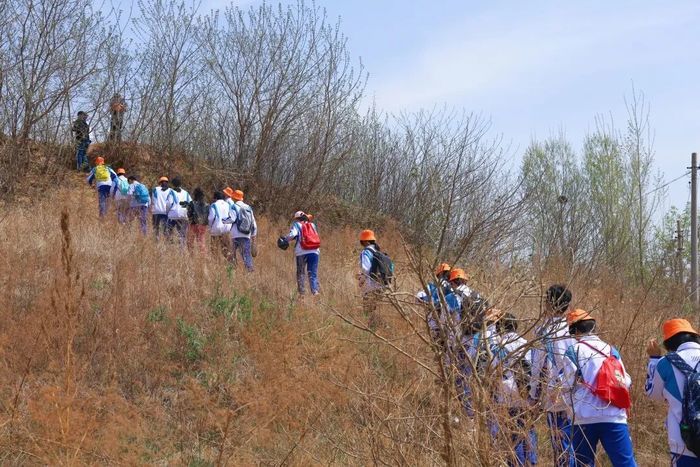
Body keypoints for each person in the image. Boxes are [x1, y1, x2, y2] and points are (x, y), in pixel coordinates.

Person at [561, 309, 636, 467]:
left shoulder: (573, 351)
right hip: (614, 415)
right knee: (625, 463)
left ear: (574, 331)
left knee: (584, 463)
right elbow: (626, 381)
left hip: (584, 417)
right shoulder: (611, 350)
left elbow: (567, 385)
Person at [529, 284, 576, 467]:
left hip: (555, 392)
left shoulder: (542, 331)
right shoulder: (574, 327)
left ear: (548, 304)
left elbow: (536, 365)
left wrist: (533, 394)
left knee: (561, 442)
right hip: (578, 392)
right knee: (577, 441)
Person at [646, 318, 700, 466]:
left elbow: (653, 394)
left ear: (668, 343)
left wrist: (654, 359)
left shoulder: (666, 363)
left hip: (683, 442)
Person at [491, 313, 538, 467]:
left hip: (505, 393)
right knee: (528, 428)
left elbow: (491, 370)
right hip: (526, 392)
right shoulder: (526, 343)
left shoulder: (495, 346)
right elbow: (535, 370)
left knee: (512, 432)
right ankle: (531, 461)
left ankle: (515, 463)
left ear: (499, 327)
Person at [358, 229, 390, 329]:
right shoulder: (379, 252)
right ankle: (379, 329)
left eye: (362, 242)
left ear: (366, 242)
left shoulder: (366, 252)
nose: (362, 244)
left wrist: (361, 280)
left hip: (371, 286)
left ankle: (383, 327)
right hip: (383, 285)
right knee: (375, 309)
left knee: (368, 311)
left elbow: (365, 268)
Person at [283, 211, 320, 296]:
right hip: (315, 251)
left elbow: (292, 235)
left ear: (297, 219)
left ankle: (302, 294)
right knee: (312, 273)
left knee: (301, 273)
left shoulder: (297, 225)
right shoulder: (312, 225)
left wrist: (285, 239)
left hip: (301, 251)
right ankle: (315, 292)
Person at [224, 189, 257, 272]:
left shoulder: (234, 206)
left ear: (234, 198)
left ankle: (232, 272)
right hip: (246, 235)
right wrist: (254, 238)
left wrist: (223, 220)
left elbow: (232, 219)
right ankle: (250, 273)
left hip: (235, 235)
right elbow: (254, 224)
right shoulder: (248, 208)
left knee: (232, 255)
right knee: (247, 256)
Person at [164, 177, 191, 246]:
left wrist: (167, 213)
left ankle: (169, 245)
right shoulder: (186, 193)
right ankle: (181, 248)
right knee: (182, 234)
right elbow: (191, 204)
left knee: (169, 231)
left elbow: (168, 204)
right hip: (183, 215)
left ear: (172, 184)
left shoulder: (171, 192)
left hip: (173, 215)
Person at [208, 191, 232, 260]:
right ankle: (230, 262)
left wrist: (210, 227)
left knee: (214, 248)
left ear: (215, 198)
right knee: (226, 247)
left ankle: (217, 263)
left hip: (216, 228)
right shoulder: (227, 204)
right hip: (227, 228)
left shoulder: (214, 205)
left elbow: (211, 218)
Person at [184, 188, 209, 253]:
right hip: (203, 225)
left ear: (195, 194)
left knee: (190, 242)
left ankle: (192, 255)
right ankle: (203, 257)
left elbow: (189, 214)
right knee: (201, 242)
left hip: (193, 224)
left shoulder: (192, 203)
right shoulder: (206, 205)